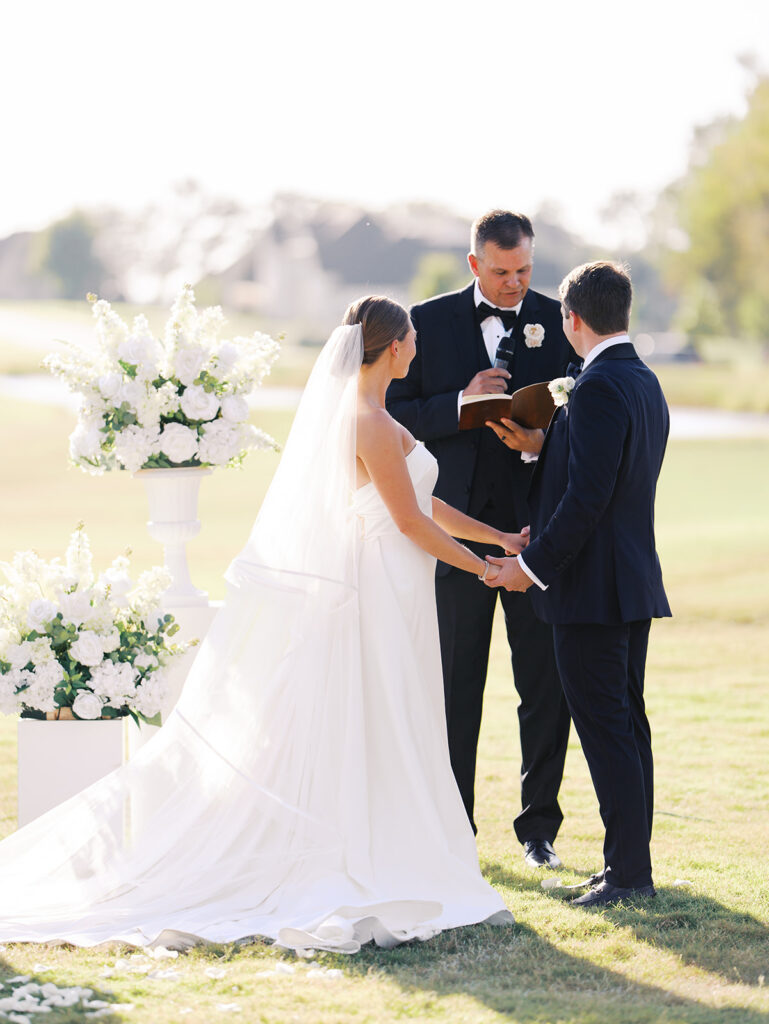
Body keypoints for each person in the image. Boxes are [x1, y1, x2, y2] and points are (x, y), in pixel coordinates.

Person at [0, 296, 519, 952]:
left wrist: (498, 537)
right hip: (379, 587)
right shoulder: (365, 422)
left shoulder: (380, 417)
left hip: (399, 583)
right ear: (393, 347)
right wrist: (484, 569)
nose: (417, 344)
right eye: (411, 336)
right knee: (380, 709)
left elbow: (425, 502)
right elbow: (410, 522)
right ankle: (367, 852)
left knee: (393, 711)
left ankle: (391, 840)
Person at [387, 210, 573, 869]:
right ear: (473, 264)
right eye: (500, 271)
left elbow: (587, 422)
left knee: (544, 688)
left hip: (535, 535)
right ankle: (452, 830)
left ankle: (538, 831)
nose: (513, 283)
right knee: (453, 688)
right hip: (453, 535)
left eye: (523, 270)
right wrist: (460, 404)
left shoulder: (560, 320)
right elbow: (388, 417)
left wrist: (544, 440)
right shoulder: (425, 322)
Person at [486, 261, 671, 907]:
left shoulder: (594, 388)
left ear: (571, 318)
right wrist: (545, 446)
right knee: (626, 726)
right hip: (628, 582)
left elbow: (589, 499)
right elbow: (606, 473)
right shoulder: (641, 379)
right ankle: (628, 864)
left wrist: (529, 568)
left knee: (608, 729)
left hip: (591, 591)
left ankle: (629, 875)